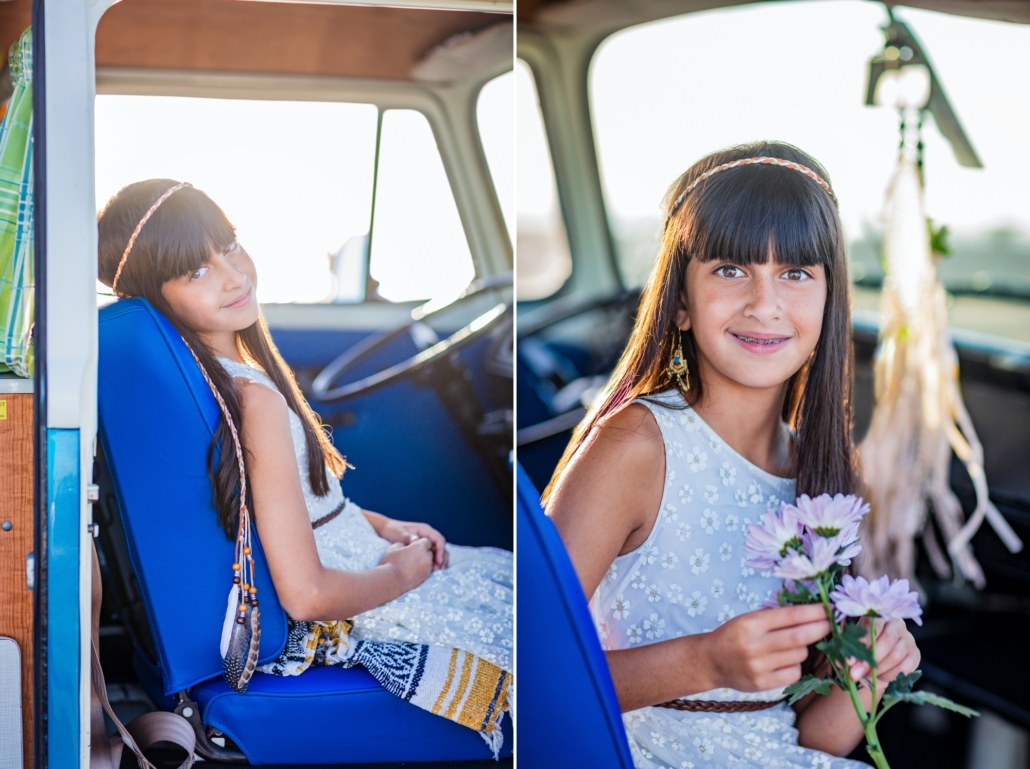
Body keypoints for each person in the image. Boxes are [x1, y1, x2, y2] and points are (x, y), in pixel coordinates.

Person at [96, 179, 511, 748]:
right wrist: (402, 574)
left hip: (361, 551)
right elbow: (307, 597)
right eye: (196, 271)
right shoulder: (253, 401)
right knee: (536, 617)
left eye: (231, 244)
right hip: (344, 595)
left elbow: (305, 510)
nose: (234, 274)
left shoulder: (236, 380)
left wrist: (383, 527)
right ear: (154, 291)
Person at [544, 143, 920, 768]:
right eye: (730, 269)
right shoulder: (636, 446)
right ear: (682, 303)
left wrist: (869, 677)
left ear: (830, 303)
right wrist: (704, 661)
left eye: (796, 273)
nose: (764, 303)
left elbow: (803, 738)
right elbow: (533, 675)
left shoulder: (826, 475)